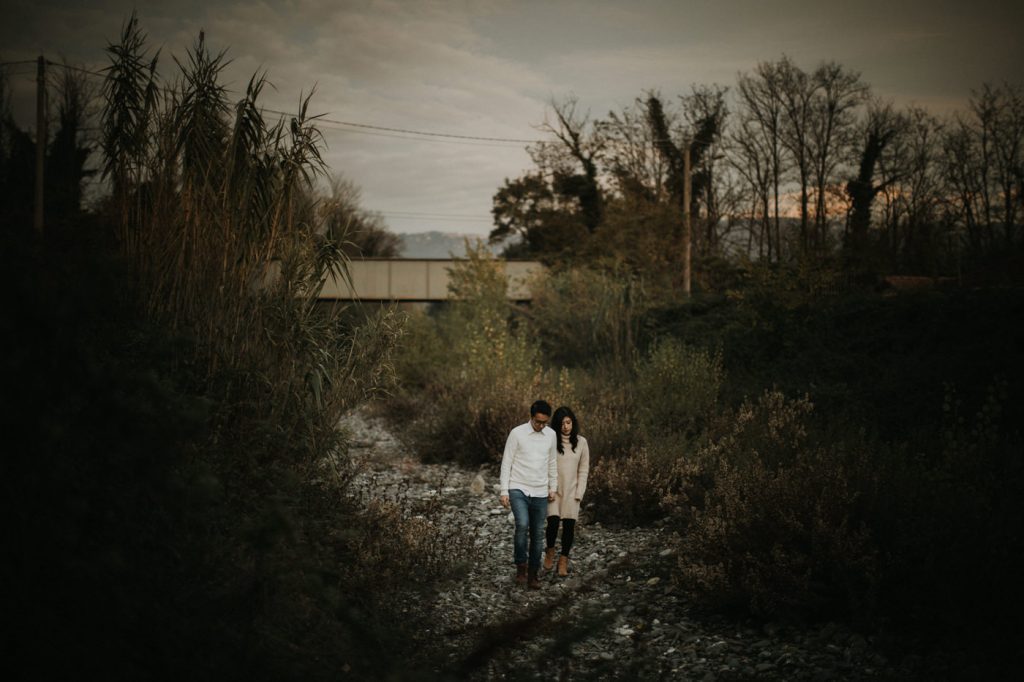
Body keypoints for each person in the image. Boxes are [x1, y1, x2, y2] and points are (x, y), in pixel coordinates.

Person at [499, 400, 557, 589]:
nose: (541, 426)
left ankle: (533, 574)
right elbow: (507, 462)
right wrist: (504, 490)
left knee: (538, 533)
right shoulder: (517, 433)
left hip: (540, 491)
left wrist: (552, 487)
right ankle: (521, 567)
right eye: (538, 422)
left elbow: (552, 463)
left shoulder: (551, 435)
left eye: (544, 422)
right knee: (522, 525)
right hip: (518, 487)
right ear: (531, 417)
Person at [543, 406, 590, 578]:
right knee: (553, 523)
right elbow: (545, 465)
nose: (566, 427)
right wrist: (548, 488)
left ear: (573, 422)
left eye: (569, 422)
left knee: (569, 527)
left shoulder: (582, 442)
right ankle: (550, 550)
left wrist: (579, 493)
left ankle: (563, 560)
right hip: (554, 490)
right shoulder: (551, 442)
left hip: (572, 491)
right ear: (557, 424)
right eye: (562, 423)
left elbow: (584, 470)